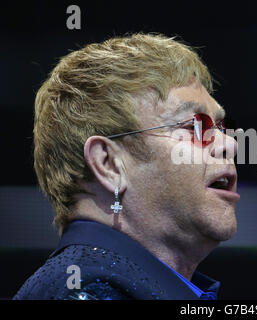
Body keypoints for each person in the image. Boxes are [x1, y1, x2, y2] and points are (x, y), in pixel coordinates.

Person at [14, 33, 240, 300]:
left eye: (220, 126)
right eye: (194, 126)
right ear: (109, 164)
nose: (228, 144)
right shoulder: (82, 291)